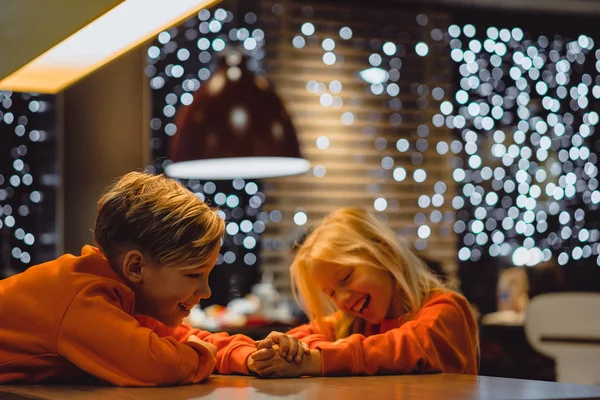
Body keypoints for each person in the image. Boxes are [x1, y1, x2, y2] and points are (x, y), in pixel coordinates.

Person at [0, 171, 307, 386]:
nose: (205, 291)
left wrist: (252, 355)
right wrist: (203, 356)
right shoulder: (84, 297)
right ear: (136, 267)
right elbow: (152, 364)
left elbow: (185, 341)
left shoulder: (119, 294)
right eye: (193, 274)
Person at [247, 207, 479, 377]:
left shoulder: (447, 310)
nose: (343, 299)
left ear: (384, 252)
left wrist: (314, 360)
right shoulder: (352, 322)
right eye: (332, 294)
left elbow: (403, 348)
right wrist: (294, 349)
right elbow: (305, 334)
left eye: (346, 278)